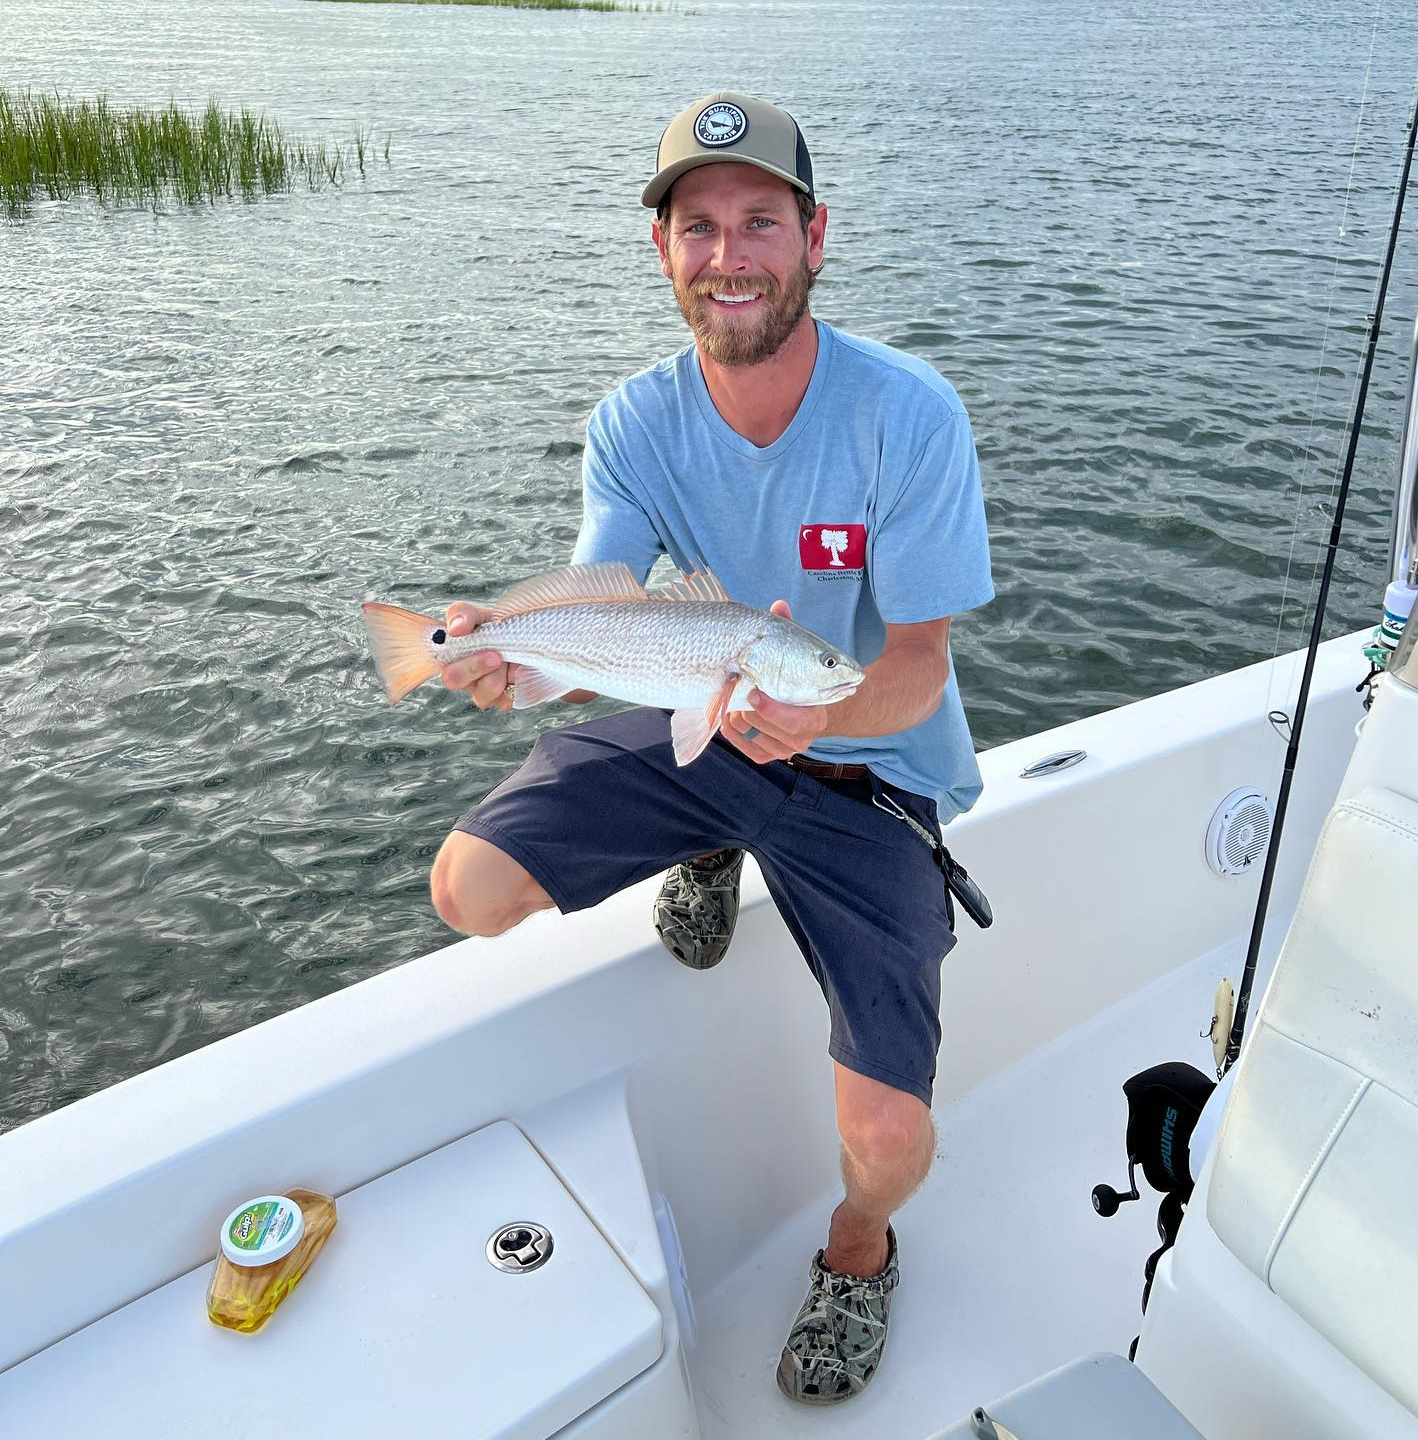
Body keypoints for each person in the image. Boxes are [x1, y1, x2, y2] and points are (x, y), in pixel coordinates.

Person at [429, 91, 993, 1407]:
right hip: (705, 706)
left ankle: (859, 1258)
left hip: (869, 769)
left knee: (890, 1139)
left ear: (815, 237)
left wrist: (819, 720)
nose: (728, 252)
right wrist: (510, 656)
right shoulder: (634, 421)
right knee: (472, 890)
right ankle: (713, 837)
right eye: (698, 226)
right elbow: (602, 600)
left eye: (759, 222)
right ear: (663, 250)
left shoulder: (908, 416)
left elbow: (917, 664)